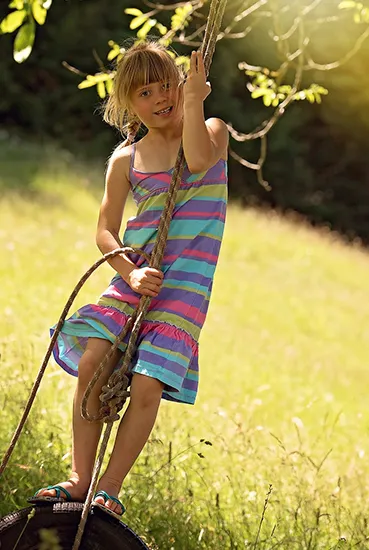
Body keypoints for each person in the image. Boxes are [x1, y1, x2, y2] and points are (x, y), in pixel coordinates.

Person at [30, 39, 229, 515]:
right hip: (135, 278)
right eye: (144, 93)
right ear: (126, 102)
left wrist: (197, 101)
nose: (159, 98)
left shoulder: (212, 129)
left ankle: (109, 488)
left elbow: (198, 161)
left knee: (146, 385)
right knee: (92, 362)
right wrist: (129, 272)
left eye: (166, 86)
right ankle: (80, 478)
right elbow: (105, 230)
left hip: (184, 289)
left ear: (181, 85)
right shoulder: (125, 159)